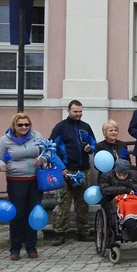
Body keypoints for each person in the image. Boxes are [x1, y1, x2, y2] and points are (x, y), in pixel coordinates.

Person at [0, 113, 48, 261]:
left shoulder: (37, 136)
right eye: (20, 125)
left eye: (27, 124)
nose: (24, 127)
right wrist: (2, 166)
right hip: (16, 181)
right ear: (14, 126)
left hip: (35, 181)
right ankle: (15, 248)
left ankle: (31, 247)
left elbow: (47, 153)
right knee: (17, 214)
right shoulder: (5, 140)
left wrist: (42, 160)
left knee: (33, 214)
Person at [50, 100, 97, 245]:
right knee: (64, 202)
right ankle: (60, 233)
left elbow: (94, 143)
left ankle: (83, 231)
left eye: (80, 111)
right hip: (66, 170)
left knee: (82, 202)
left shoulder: (85, 127)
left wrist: (90, 148)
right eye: (75, 111)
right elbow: (51, 149)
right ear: (68, 111)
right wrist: (61, 168)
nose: (78, 114)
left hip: (83, 169)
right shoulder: (60, 127)